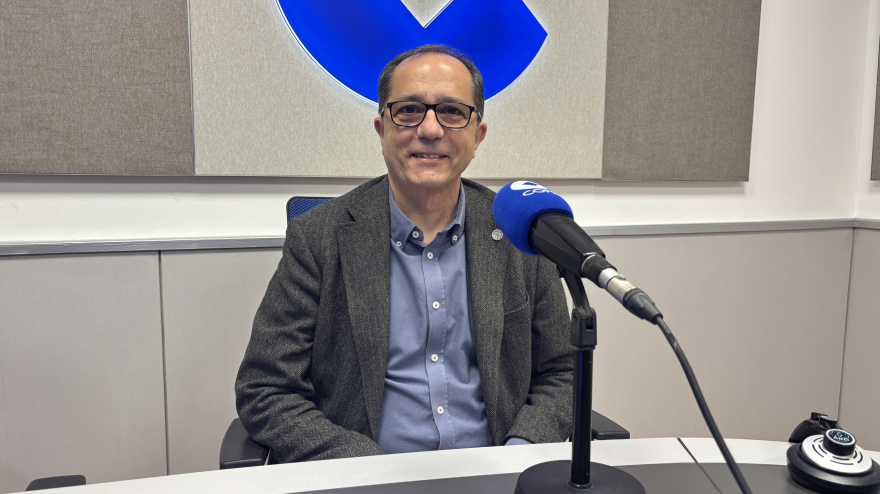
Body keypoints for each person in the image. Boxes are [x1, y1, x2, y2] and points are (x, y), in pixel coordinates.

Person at [235, 44, 572, 463]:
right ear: (382, 131)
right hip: (364, 479)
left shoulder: (520, 233)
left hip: (495, 473)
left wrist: (520, 452)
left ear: (476, 137)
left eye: (451, 111)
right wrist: (361, 464)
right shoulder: (318, 237)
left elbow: (563, 372)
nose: (430, 130)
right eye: (409, 110)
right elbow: (266, 388)